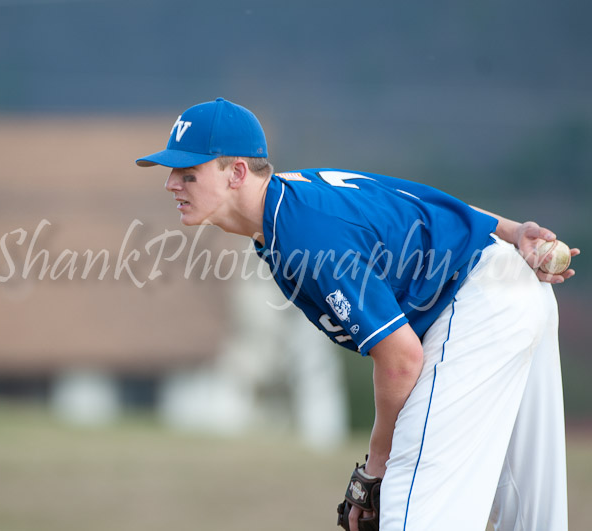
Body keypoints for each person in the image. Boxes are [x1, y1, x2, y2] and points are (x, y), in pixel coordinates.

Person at [135, 98, 580, 531]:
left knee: (413, 509)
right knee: (530, 511)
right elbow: (422, 200)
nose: (172, 183)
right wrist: (513, 230)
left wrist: (377, 464)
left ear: (236, 173)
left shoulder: (305, 233)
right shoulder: (296, 194)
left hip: (479, 307)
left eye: (188, 173)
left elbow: (401, 358)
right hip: (506, 283)